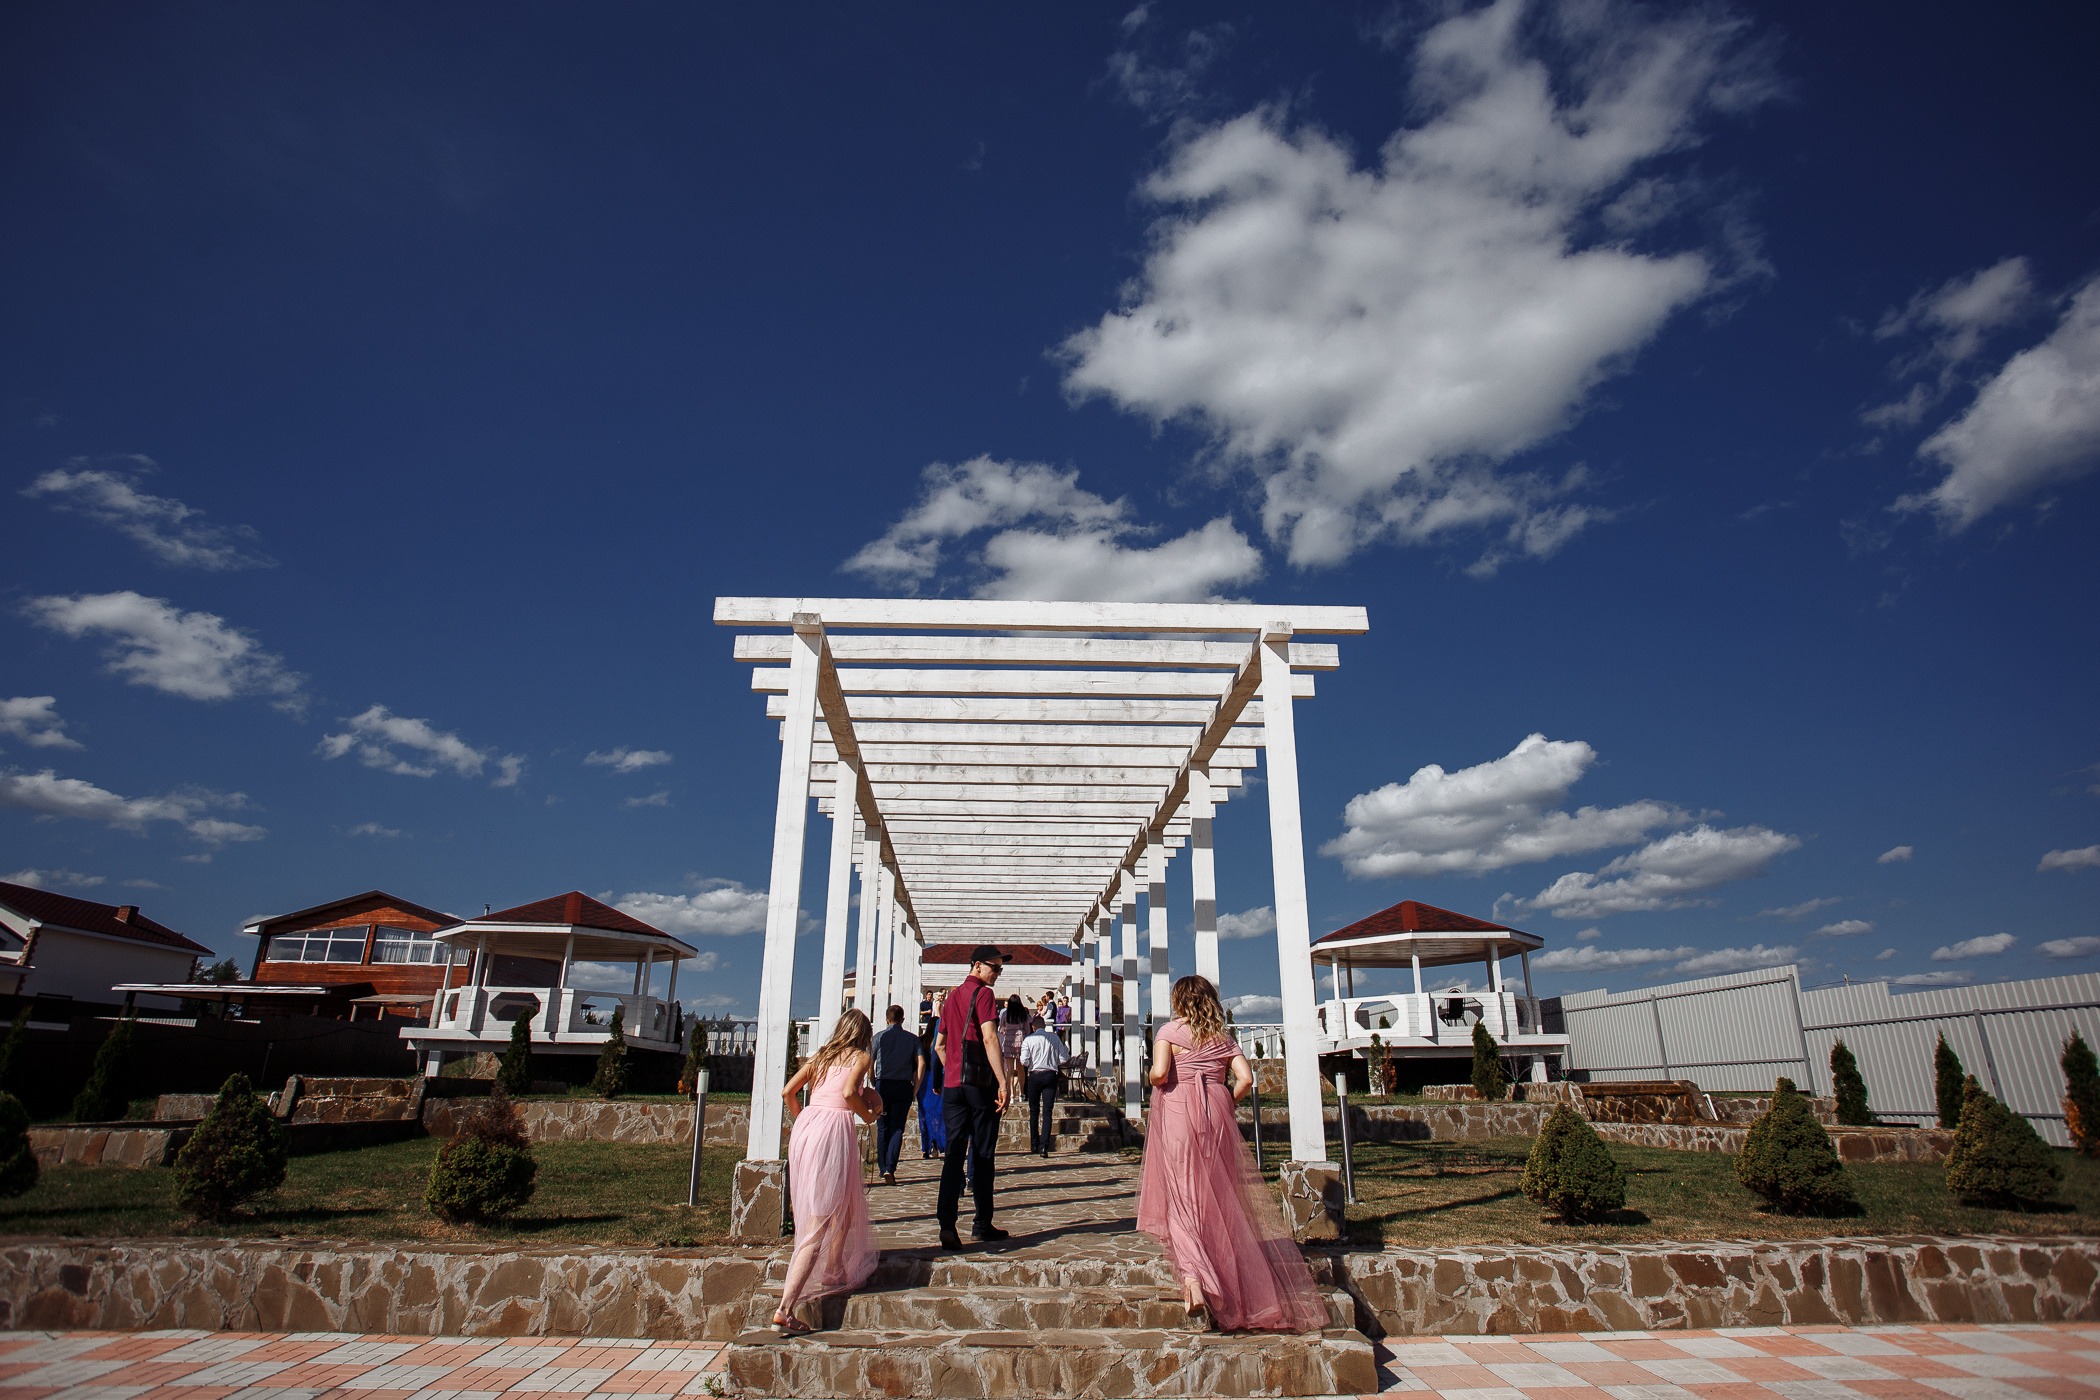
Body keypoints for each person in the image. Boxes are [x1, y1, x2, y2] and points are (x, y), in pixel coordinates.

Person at [1139, 975, 1328, 1335]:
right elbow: (1245, 1079)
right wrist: (1225, 1102)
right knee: (1214, 1191)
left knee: (1182, 1195)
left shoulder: (1168, 1032)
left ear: (1179, 1000)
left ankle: (1194, 1281)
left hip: (1180, 1113)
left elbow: (1161, 1074)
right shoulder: (1221, 1037)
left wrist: (1152, 1075)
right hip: (1215, 1113)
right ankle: (1214, 1261)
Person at [772, 1008, 882, 1335]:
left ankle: (833, 1268)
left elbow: (787, 1092)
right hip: (833, 1130)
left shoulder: (819, 1057)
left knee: (845, 1202)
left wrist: (803, 1121)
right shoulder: (860, 1057)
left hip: (807, 1125)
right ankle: (785, 1308)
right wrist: (868, 1116)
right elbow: (849, 1093)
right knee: (819, 1219)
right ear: (864, 1035)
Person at [933, 944, 1011, 1250]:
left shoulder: (951, 997)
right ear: (977, 966)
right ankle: (981, 1224)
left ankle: (947, 1224)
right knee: (982, 1154)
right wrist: (1003, 1083)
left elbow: (940, 1045)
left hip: (953, 1086)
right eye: (995, 968)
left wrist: (953, 1067)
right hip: (980, 1085)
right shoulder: (984, 995)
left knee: (953, 1152)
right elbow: (990, 1037)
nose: (998, 974)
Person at [870, 1003, 921, 1185]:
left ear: (887, 1019)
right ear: (903, 1020)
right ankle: (890, 1167)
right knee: (898, 1127)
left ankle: (883, 1167)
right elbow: (920, 1063)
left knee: (882, 1127)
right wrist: (916, 1086)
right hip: (903, 1086)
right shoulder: (913, 1039)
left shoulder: (878, 1038)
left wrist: (872, 1081)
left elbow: (870, 1061)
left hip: (883, 1085)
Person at [1019, 1013, 1078, 1157]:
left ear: (1033, 1027)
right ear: (1045, 1026)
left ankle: (1034, 1144)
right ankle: (1044, 1146)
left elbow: (1024, 1061)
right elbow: (1064, 1058)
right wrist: (1052, 1062)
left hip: (1034, 1076)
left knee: (1033, 1111)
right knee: (1047, 1112)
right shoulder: (1054, 1038)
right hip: (1050, 1075)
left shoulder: (1028, 1040)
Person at [917, 1020, 946, 1159]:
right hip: (937, 1077)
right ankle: (939, 1142)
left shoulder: (920, 1041)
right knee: (939, 1114)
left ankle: (927, 1146)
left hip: (924, 1079)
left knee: (924, 1114)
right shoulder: (942, 1042)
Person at [999, 994, 1028, 1066]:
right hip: (1020, 1039)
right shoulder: (1023, 1013)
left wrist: (1006, 1032)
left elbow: (1001, 1028)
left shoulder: (1005, 1013)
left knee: (1010, 1068)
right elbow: (1027, 1029)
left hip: (1008, 1040)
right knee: (1020, 1067)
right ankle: (1021, 1078)